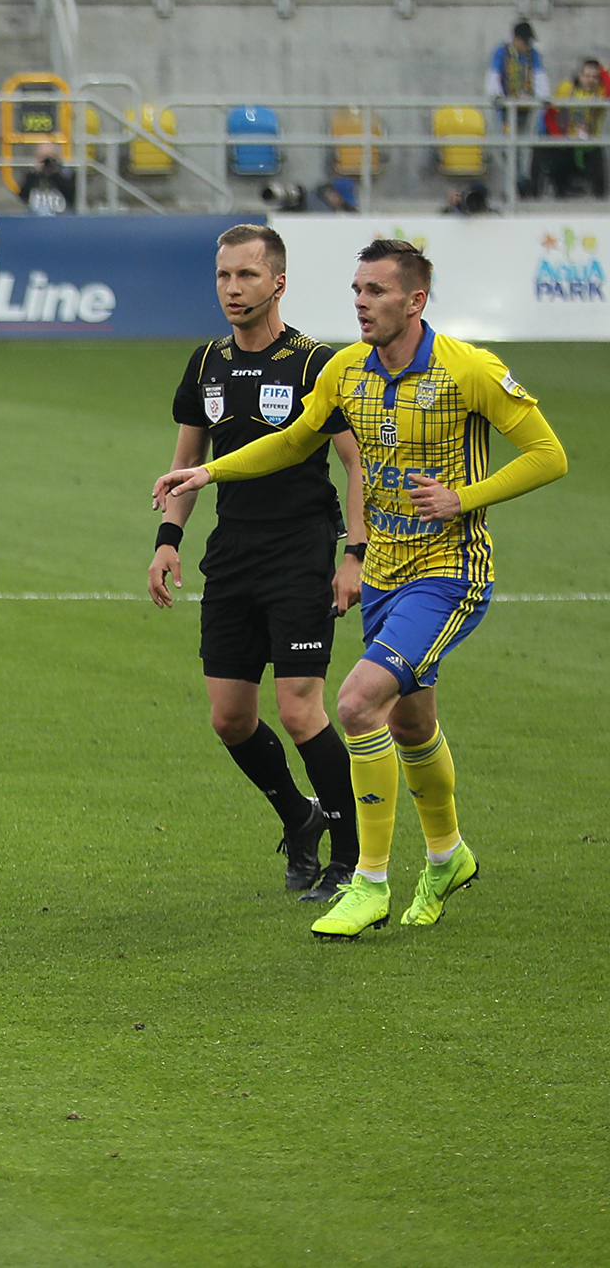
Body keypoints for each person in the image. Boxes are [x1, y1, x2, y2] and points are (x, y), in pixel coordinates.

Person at [154, 239, 568, 938]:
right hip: (385, 577)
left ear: (415, 300)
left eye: (376, 291)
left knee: (354, 702)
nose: (361, 303)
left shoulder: (470, 368)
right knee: (410, 725)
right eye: (356, 290)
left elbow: (549, 455)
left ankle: (367, 880)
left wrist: (464, 497)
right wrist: (209, 472)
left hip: (448, 573)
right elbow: (294, 440)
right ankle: (448, 856)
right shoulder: (347, 369)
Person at [148, 224, 367, 901]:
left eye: (246, 275)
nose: (232, 288)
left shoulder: (314, 363)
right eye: (223, 276)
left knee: (300, 710)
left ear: (278, 282)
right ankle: (300, 818)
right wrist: (167, 540)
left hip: (300, 552)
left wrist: (354, 554)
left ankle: (351, 860)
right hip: (233, 553)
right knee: (230, 718)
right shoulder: (206, 363)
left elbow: (356, 464)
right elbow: (187, 465)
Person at [486, 22, 550, 195]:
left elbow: (539, 76)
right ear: (515, 39)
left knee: (524, 149)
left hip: (525, 111)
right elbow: (493, 76)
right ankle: (508, 189)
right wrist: (499, 97)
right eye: (524, 41)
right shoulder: (502, 52)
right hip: (504, 112)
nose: (527, 45)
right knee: (505, 151)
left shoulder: (533, 54)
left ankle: (521, 184)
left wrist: (542, 97)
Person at [545, 57, 607, 200]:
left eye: (594, 77)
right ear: (579, 75)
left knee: (598, 162)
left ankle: (600, 198)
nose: (590, 80)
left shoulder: (600, 92)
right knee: (557, 155)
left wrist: (603, 71)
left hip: (590, 141)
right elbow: (550, 114)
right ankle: (561, 194)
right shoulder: (566, 88)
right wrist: (558, 137)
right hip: (567, 140)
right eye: (586, 76)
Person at [17, 147, 77, 215]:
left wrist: (54, 173)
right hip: (36, 215)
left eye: (49, 157)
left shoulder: (65, 173)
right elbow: (23, 196)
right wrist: (35, 173)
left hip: (61, 214)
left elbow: (72, 194)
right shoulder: (31, 175)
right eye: (42, 157)